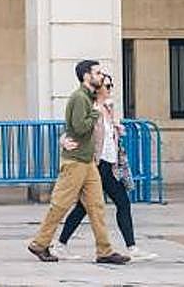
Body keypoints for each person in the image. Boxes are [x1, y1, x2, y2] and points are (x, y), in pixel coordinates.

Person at [27, 59, 130, 265]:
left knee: (97, 206)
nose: (101, 76)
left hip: (88, 162)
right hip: (75, 162)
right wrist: (97, 110)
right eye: (97, 73)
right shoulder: (79, 98)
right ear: (86, 76)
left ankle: (104, 250)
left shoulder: (90, 98)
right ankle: (40, 243)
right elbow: (79, 127)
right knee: (61, 204)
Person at [56, 73, 156, 261]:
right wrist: (63, 141)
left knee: (112, 204)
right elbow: (73, 130)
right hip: (95, 164)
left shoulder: (108, 108)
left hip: (109, 165)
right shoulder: (91, 107)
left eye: (112, 86)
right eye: (107, 86)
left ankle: (130, 247)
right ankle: (61, 244)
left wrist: (117, 130)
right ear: (99, 88)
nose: (110, 90)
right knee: (88, 206)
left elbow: (108, 136)